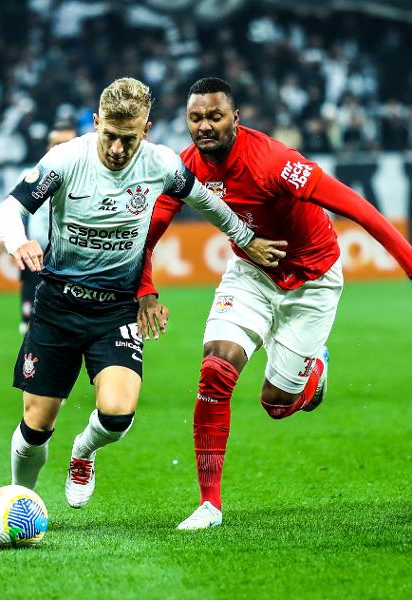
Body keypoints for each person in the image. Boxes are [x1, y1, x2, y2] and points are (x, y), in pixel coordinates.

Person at [138, 77, 412, 530]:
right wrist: (145, 289)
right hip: (251, 274)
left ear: (235, 118)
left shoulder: (275, 162)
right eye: (195, 118)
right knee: (215, 370)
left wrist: (406, 259)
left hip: (313, 281)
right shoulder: (185, 167)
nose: (204, 126)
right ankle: (209, 505)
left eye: (214, 116)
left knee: (278, 405)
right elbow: (150, 232)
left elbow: (355, 206)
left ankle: (314, 369)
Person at [0, 77, 275, 510]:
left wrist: (244, 236)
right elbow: (10, 208)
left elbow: (207, 202)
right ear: (96, 123)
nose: (118, 149)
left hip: (116, 309)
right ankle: (20, 500)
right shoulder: (66, 160)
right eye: (109, 135)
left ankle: (83, 452)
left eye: (129, 138)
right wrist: (18, 242)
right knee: (36, 424)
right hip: (58, 305)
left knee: (117, 415)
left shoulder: (160, 164)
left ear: (145, 130)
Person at [19, 123, 77, 333]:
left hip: (69, 251)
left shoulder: (83, 176)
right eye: (57, 144)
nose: (62, 148)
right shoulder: (32, 174)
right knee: (31, 287)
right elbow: (16, 209)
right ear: (48, 146)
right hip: (38, 247)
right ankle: (27, 321)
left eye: (68, 143)